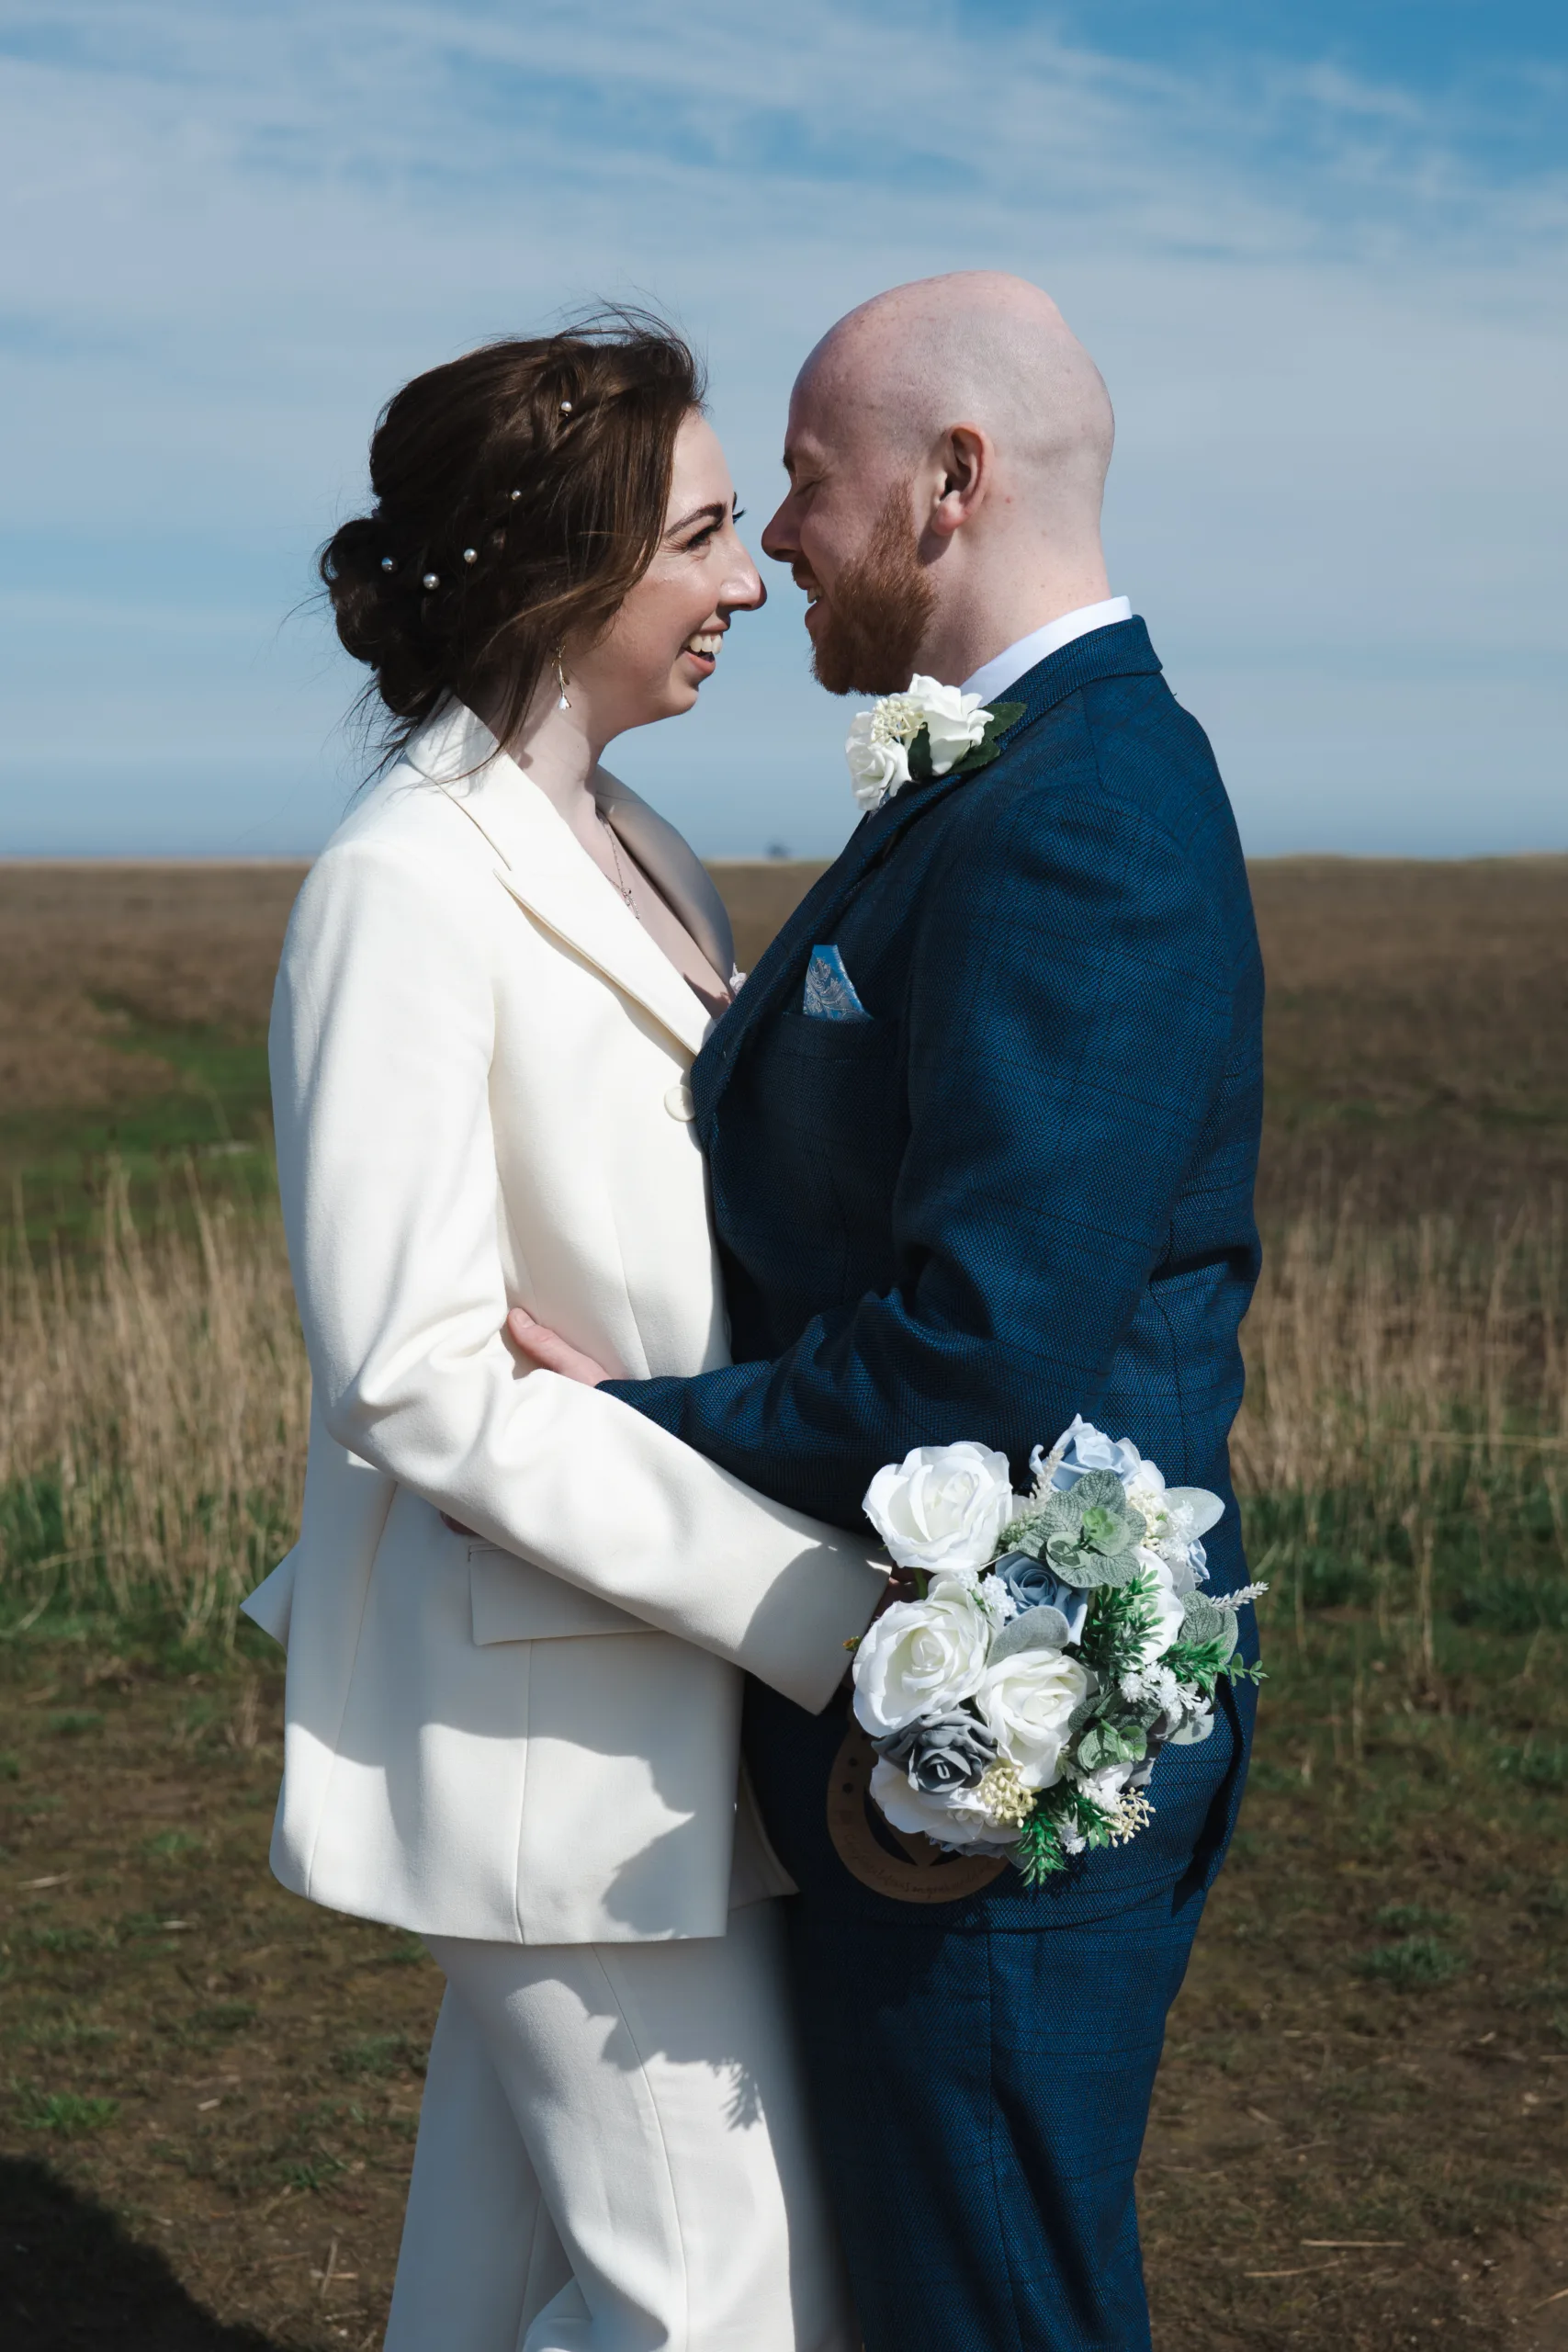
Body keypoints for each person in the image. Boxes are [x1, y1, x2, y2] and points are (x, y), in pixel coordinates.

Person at [509, 272, 1267, 2352]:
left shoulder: (1084, 810)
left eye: (808, 491)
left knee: (991, 2300)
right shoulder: (998, 776)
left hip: (1007, 1741)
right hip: (908, 1716)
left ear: (953, 484)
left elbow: (980, 1350)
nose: (771, 550)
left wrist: (635, 1422)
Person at [240, 319, 885, 2352]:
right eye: (700, 533)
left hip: (646, 1717)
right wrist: (812, 1603)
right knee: (724, 2308)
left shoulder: (648, 847)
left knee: (496, 2292)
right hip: (540, 1745)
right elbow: (419, 1371)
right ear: (559, 562)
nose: (749, 576)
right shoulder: (402, 885)